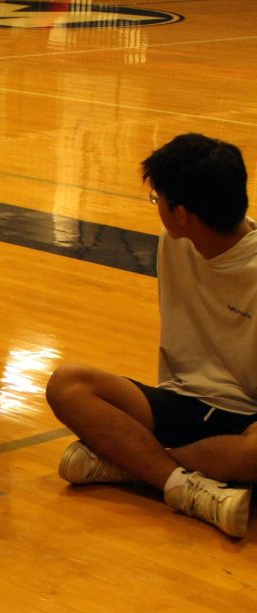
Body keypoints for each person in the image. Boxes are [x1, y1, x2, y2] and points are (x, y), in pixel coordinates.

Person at [46, 133, 257, 538]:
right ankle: (182, 485)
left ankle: (133, 465)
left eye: (158, 199)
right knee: (68, 384)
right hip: (182, 400)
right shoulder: (176, 242)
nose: (156, 207)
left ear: (182, 213)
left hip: (247, 419)